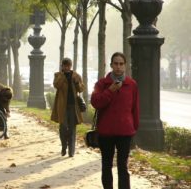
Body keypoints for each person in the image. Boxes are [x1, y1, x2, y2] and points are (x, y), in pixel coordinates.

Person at [90, 52, 140, 189]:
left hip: (125, 132)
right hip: (106, 132)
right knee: (106, 165)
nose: (118, 67)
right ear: (111, 65)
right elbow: (95, 102)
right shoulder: (102, 84)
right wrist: (110, 90)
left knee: (122, 166)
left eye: (121, 64)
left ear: (125, 66)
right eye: (115, 64)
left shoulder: (131, 84)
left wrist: (134, 128)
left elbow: (135, 109)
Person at [50, 58, 84, 157]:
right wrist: (63, 76)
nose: (67, 67)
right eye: (65, 66)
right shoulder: (58, 75)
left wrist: (77, 82)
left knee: (72, 128)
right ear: (62, 66)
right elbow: (56, 85)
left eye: (68, 66)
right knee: (63, 127)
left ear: (71, 66)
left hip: (73, 106)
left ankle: (71, 151)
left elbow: (81, 89)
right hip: (62, 106)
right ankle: (64, 146)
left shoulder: (76, 75)